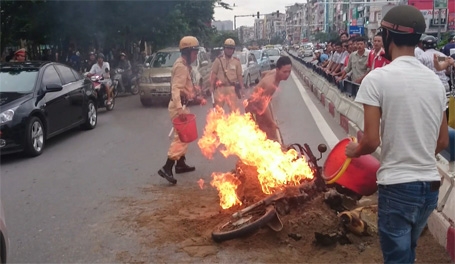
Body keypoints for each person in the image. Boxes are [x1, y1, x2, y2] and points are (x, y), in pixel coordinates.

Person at [345, 5, 449, 263]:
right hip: (430, 187)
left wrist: (354, 150)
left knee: (397, 258)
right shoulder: (435, 82)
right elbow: (444, 141)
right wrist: (419, 155)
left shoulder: (377, 79)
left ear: (388, 37)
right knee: (408, 252)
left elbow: (370, 141)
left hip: (397, 187)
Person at [158, 36, 207, 185]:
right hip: (178, 107)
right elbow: (176, 89)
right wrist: (179, 109)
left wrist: (195, 95)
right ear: (187, 52)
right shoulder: (181, 66)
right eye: (194, 52)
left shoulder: (184, 65)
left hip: (182, 105)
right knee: (181, 138)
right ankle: (167, 167)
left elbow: (185, 88)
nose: (196, 55)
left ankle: (180, 164)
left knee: (185, 135)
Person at [244, 56, 292, 142]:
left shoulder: (273, 72)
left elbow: (263, 74)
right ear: (277, 69)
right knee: (269, 133)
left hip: (258, 104)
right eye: (284, 72)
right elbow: (263, 106)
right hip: (254, 109)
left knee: (269, 132)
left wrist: (262, 90)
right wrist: (271, 122)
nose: (287, 74)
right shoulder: (271, 85)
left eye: (289, 71)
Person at [210, 38, 245, 113]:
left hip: (232, 88)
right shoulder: (218, 60)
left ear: (233, 50)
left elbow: (239, 76)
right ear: (224, 49)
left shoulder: (236, 62)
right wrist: (211, 86)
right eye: (228, 48)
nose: (229, 50)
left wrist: (242, 87)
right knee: (218, 111)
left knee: (234, 111)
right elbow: (213, 74)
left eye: (231, 48)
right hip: (220, 89)